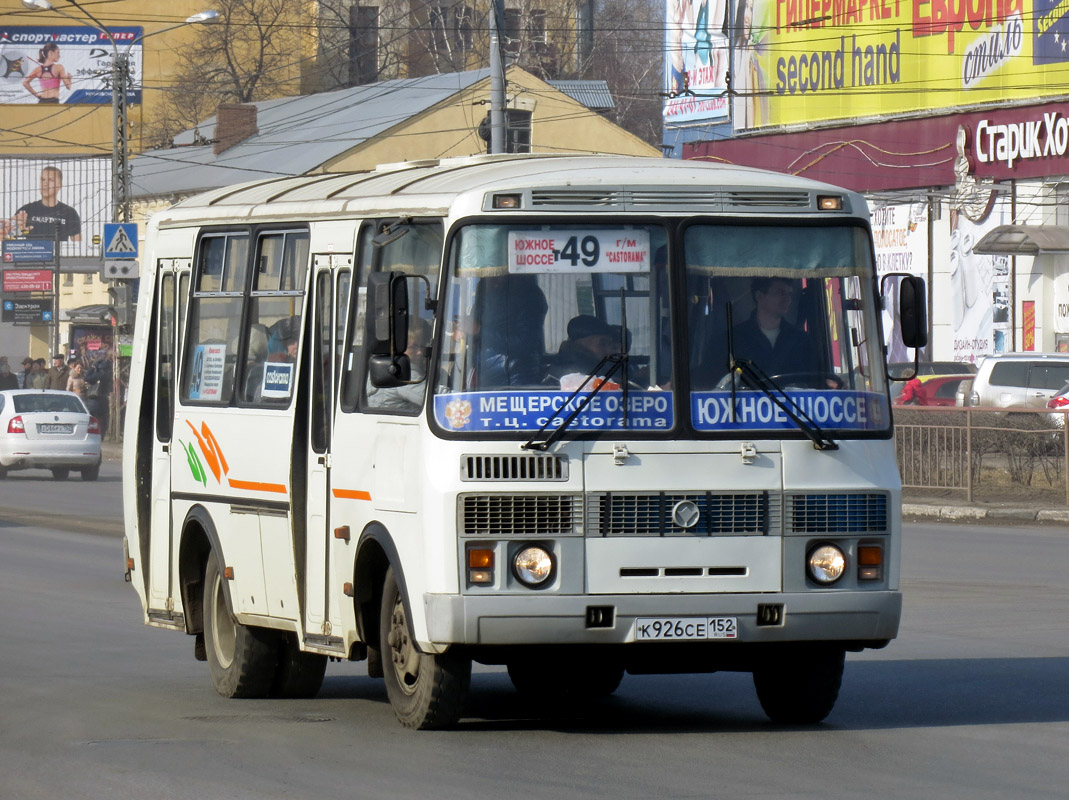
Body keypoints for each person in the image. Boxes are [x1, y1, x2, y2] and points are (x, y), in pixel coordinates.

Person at [731, 277, 818, 378]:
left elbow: (813, 380)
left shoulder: (801, 340)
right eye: (780, 293)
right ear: (759, 296)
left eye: (789, 294)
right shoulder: (733, 339)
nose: (787, 299)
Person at [5, 166, 82, 242]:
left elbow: (78, 246)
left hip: (58, 253)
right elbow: (8, 238)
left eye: (50, 180)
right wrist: (16, 230)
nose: (45, 184)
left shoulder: (70, 212)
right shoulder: (26, 211)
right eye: (42, 179)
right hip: (33, 253)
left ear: (60, 185)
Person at [86, 358, 112, 436]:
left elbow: (87, 378)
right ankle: (102, 433)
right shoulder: (108, 374)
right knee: (103, 418)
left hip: (95, 399)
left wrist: (92, 368)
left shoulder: (100, 374)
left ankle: (94, 434)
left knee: (93, 417)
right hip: (104, 398)